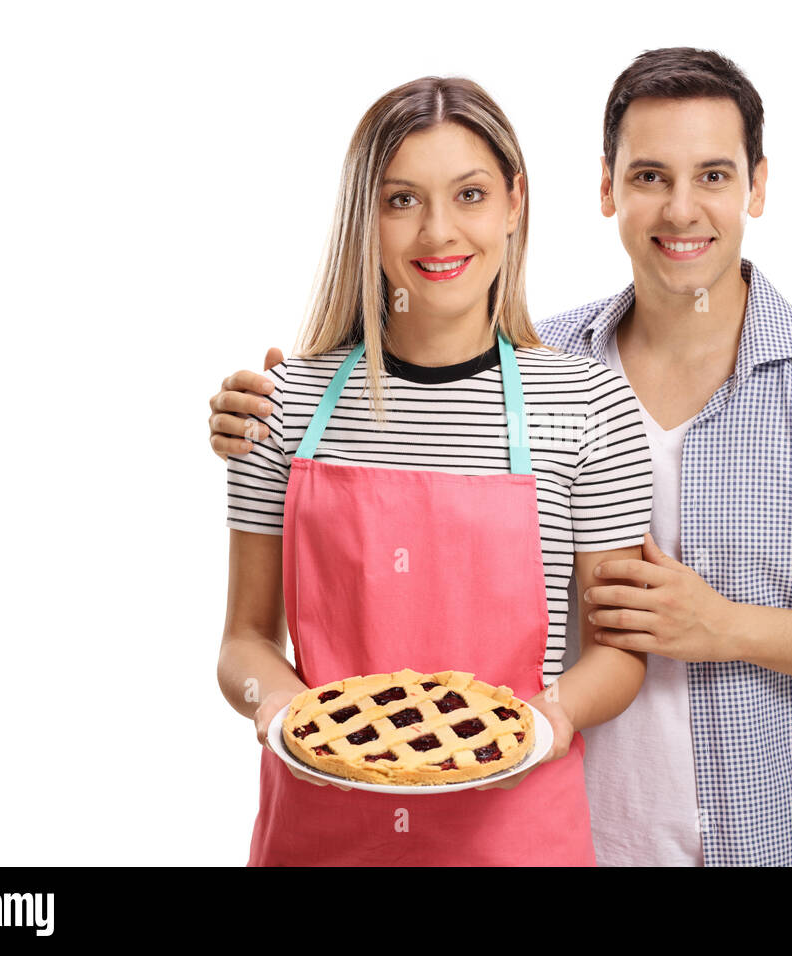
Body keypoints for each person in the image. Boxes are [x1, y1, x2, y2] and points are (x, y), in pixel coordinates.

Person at [210, 48, 792, 867]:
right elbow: (252, 633)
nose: (681, 210)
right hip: (542, 827)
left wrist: (729, 629)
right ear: (606, 186)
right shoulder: (554, 361)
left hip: (735, 840)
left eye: (713, 176)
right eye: (649, 176)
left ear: (757, 185)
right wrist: (262, 418)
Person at [218, 75, 653, 866]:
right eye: (401, 201)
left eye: (471, 194)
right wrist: (281, 710)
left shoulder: (588, 405)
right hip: (321, 830)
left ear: (515, 204)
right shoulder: (282, 405)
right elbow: (243, 641)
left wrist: (548, 720)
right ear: (366, 219)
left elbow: (617, 654)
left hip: (517, 831)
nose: (438, 232)